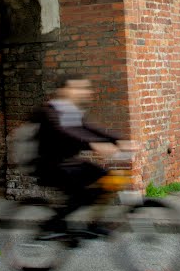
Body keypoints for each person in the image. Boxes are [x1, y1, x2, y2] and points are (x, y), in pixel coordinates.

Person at [32, 75, 125, 238]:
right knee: (83, 195)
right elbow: (64, 133)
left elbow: (92, 129)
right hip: (49, 165)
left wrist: (120, 140)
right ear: (62, 90)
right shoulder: (49, 111)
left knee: (109, 180)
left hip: (69, 163)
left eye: (85, 88)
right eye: (77, 88)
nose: (83, 92)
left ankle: (93, 223)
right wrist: (91, 144)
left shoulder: (72, 112)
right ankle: (53, 224)